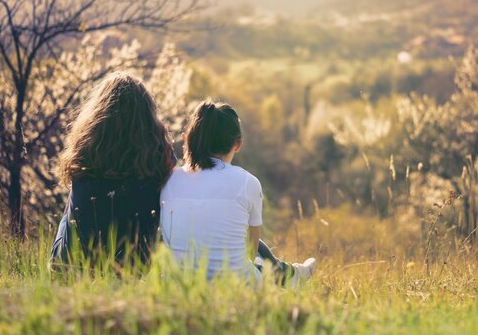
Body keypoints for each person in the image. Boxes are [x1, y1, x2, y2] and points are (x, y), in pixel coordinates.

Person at [160, 101, 315, 285]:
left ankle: (289, 275)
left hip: (178, 285)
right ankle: (291, 277)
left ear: (189, 139)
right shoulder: (247, 183)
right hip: (239, 288)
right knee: (251, 258)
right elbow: (251, 250)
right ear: (238, 144)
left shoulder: (169, 181)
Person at [49, 73, 174, 268]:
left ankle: (60, 262)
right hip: (134, 266)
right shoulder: (157, 154)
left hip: (74, 266)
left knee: (69, 214)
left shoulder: (83, 149)